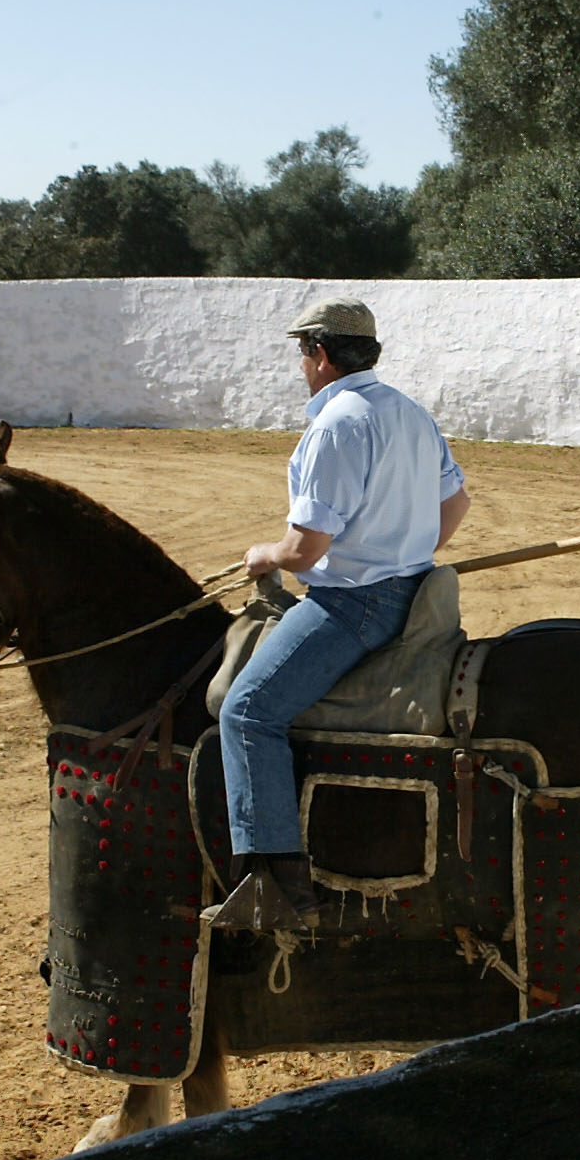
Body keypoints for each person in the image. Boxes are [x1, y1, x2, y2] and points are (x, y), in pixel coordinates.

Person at [219, 296, 470, 927]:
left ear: (320, 355)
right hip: (417, 594)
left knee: (246, 712)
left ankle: (276, 884)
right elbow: (457, 504)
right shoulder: (410, 413)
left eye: (303, 353)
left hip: (353, 603)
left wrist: (262, 555)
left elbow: (305, 553)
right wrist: (406, 541)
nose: (302, 366)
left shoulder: (336, 423)